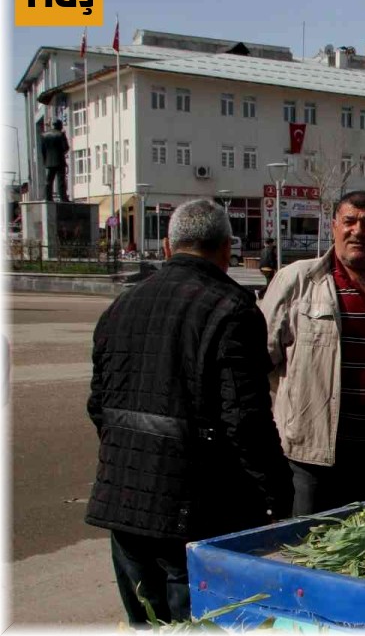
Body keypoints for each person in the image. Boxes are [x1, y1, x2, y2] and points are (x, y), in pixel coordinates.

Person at [85, 199, 292, 626]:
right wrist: (276, 494)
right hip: (196, 512)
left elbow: (98, 405)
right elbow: (246, 420)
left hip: (123, 506)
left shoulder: (121, 306)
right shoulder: (232, 309)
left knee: (145, 622)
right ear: (225, 250)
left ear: (166, 247)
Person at [259, 191, 365, 515]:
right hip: (311, 459)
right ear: (333, 227)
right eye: (349, 221)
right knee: (302, 555)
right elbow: (261, 361)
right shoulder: (299, 281)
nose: (358, 230)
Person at [39, 119, 70, 202]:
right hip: (59, 161)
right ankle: (63, 198)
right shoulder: (61, 134)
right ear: (60, 126)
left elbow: (43, 150)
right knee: (61, 181)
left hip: (49, 162)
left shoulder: (44, 135)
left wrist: (46, 161)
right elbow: (66, 148)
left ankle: (48, 198)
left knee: (49, 181)